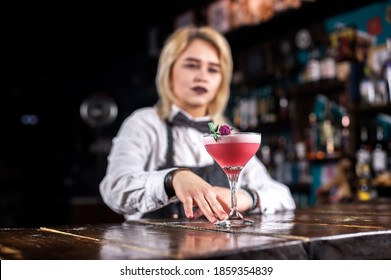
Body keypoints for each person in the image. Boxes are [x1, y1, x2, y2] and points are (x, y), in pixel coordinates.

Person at [99, 26, 296, 224]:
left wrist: (246, 198)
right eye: (191, 65)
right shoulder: (144, 123)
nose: (202, 76)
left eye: (213, 69)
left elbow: (283, 196)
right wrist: (173, 179)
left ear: (221, 81)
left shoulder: (226, 134)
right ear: (169, 72)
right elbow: (115, 190)